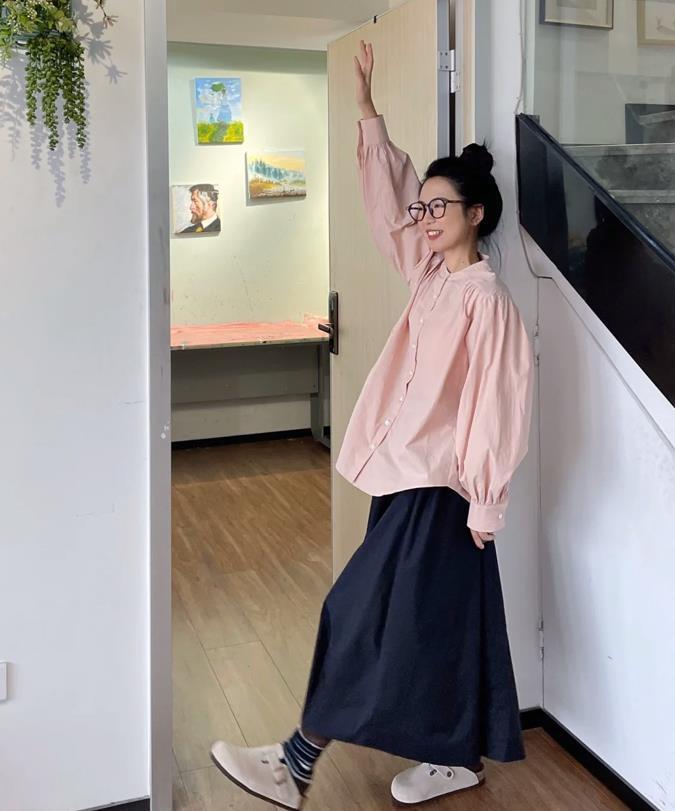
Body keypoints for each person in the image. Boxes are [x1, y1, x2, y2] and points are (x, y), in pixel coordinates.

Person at [210, 39, 535, 809]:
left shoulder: (486, 301)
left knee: (356, 612)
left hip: (443, 488)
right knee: (437, 619)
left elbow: (498, 402)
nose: (423, 217)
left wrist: (485, 501)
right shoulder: (428, 277)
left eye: (438, 206)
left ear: (476, 214)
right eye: (423, 206)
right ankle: (456, 756)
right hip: (402, 477)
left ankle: (294, 762)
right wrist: (365, 109)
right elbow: (387, 207)